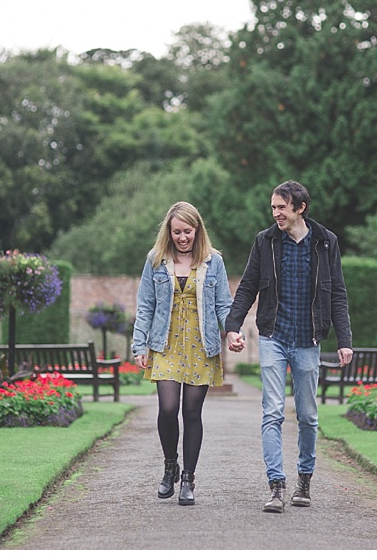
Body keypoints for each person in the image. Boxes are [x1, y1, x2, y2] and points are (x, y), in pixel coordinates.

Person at [224, 180, 353, 513]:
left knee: (308, 416)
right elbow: (248, 286)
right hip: (273, 336)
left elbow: (337, 292)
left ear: (300, 208)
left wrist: (345, 340)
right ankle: (276, 485)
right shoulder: (265, 242)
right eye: (273, 207)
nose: (275, 213)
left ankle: (304, 481)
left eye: (281, 207)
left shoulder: (326, 242)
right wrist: (233, 327)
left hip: (308, 340)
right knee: (273, 411)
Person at [130, 201, 233, 506]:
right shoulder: (156, 259)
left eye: (187, 231)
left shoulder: (213, 261)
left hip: (202, 345)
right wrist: (140, 346)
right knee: (167, 408)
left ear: (197, 229)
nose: (182, 237)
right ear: (169, 231)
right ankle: (169, 465)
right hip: (166, 343)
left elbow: (223, 305)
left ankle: (188, 478)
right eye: (177, 232)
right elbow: (145, 305)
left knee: (191, 413)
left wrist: (234, 330)